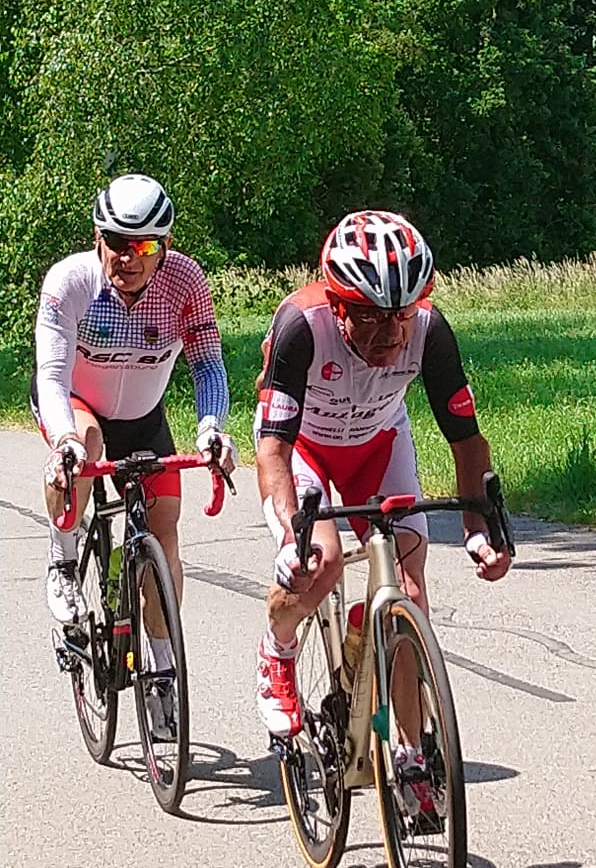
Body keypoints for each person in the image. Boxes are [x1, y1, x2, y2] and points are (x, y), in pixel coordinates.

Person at [254, 208, 511, 749]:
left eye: (401, 314)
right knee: (317, 564)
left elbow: (467, 441)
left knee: (410, 592)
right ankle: (277, 648)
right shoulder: (302, 326)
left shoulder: (430, 331)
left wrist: (479, 529)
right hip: (305, 450)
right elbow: (273, 449)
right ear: (338, 305)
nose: (390, 333)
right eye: (369, 317)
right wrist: (286, 532)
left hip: (378, 443)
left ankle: (414, 754)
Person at [33, 174, 236, 728]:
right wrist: (66, 440)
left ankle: (163, 667)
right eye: (116, 242)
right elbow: (50, 374)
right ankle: (63, 560)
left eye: (143, 245)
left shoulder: (186, 281)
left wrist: (212, 427)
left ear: (163, 246)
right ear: (98, 238)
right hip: (77, 405)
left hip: (144, 418)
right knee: (85, 444)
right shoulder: (70, 282)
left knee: (164, 522)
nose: (128, 256)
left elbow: (207, 366)